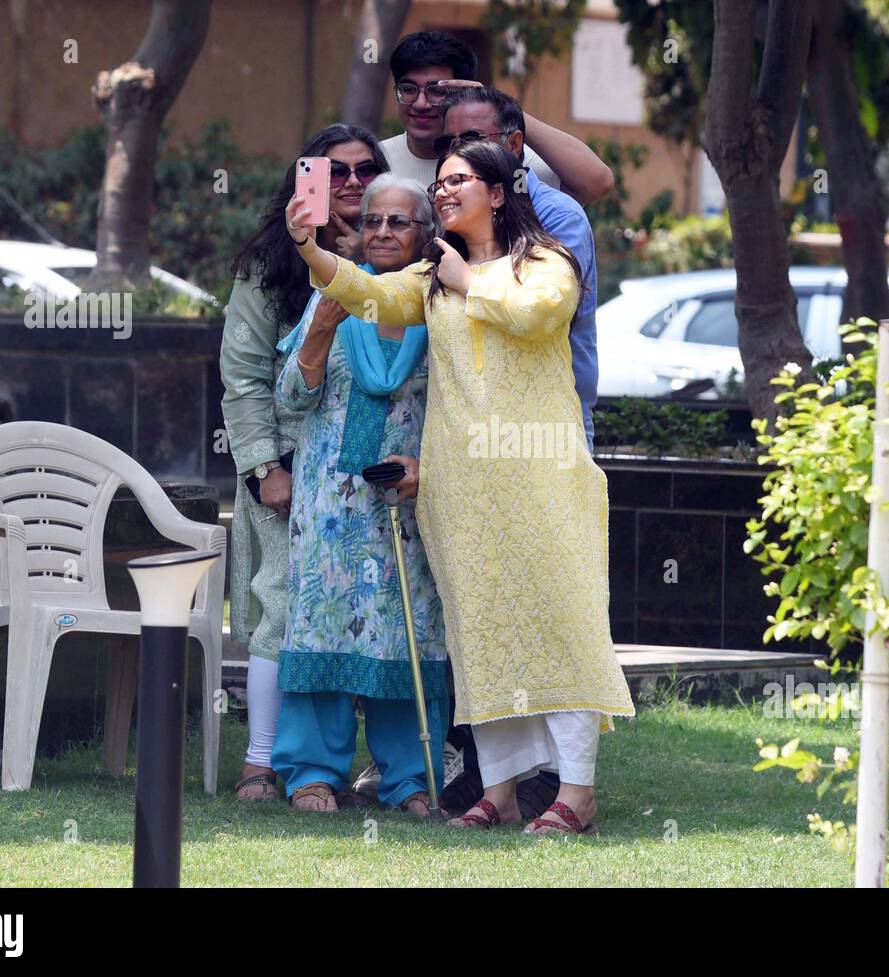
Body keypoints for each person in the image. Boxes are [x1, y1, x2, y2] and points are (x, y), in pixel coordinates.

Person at [285, 140, 635, 836]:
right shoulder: (432, 276)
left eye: (458, 181)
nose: (442, 191)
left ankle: (578, 794)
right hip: (460, 488)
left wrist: (465, 278)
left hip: (541, 476)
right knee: (481, 635)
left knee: (562, 627)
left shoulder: (546, 262)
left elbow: (538, 315)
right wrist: (311, 250)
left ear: (499, 192)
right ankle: (499, 790)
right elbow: (368, 291)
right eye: (439, 182)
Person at [270, 174, 447, 816]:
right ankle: (312, 773)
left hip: (409, 506)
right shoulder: (336, 295)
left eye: (399, 222)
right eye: (372, 221)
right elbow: (290, 399)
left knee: (407, 634)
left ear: (427, 235)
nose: (381, 233)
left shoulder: (441, 309)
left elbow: (465, 411)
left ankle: (410, 777)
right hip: (330, 508)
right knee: (321, 630)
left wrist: (428, 465)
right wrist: (318, 330)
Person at [221, 124, 388, 801]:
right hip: (289, 462)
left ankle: (375, 767)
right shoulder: (269, 265)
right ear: (305, 182)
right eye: (334, 172)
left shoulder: (401, 250)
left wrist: (363, 262)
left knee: (368, 612)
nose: (350, 183)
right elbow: (242, 373)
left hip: (370, 464)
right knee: (284, 604)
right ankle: (261, 762)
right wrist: (265, 468)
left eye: (364, 170)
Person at [439, 86, 599, 449]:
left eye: (473, 138)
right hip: (466, 418)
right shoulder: (450, 213)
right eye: (449, 142)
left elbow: (545, 316)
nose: (459, 152)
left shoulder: (558, 215)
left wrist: (467, 281)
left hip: (548, 423)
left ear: (514, 145)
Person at [380, 31, 615, 206]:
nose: (421, 104)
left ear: (462, 93)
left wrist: (497, 108)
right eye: (409, 89)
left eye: (437, 91)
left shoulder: (501, 158)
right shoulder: (376, 160)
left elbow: (597, 183)